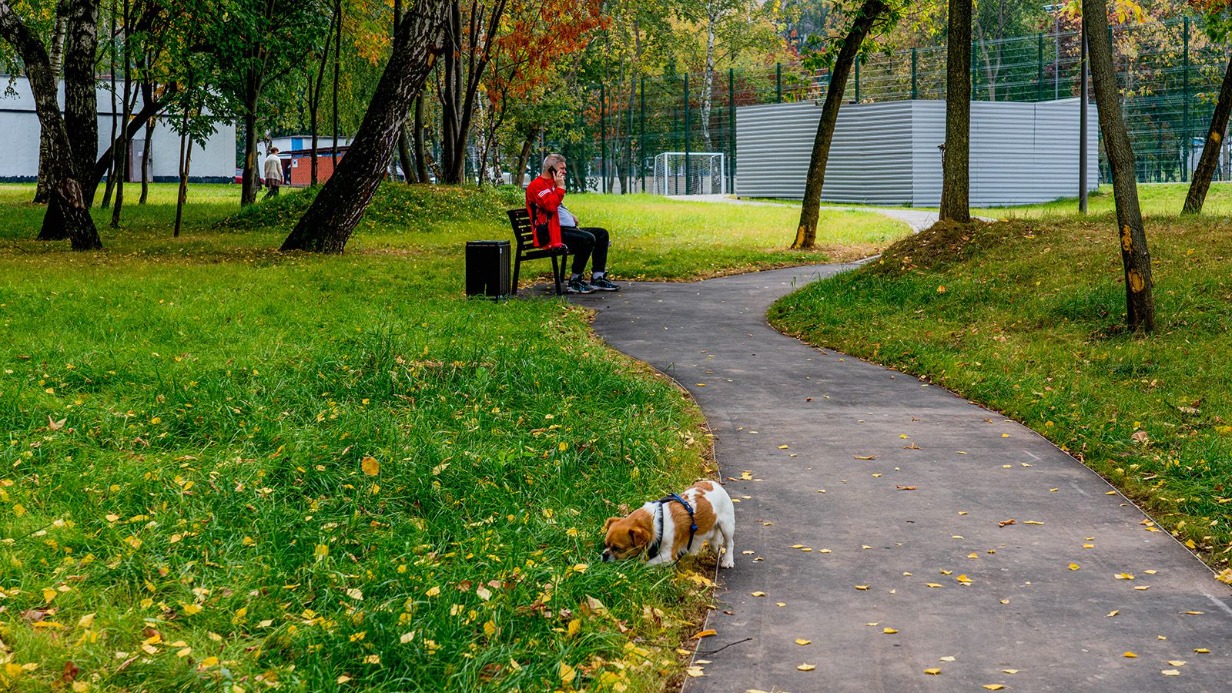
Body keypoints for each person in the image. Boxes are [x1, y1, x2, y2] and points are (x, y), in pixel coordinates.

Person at [525, 154, 619, 294]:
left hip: (564, 229)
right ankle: (575, 281)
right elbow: (550, 205)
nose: (565, 171)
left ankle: (598, 277)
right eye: (562, 168)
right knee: (587, 239)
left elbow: (557, 205)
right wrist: (561, 188)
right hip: (551, 233)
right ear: (551, 168)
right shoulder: (537, 186)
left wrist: (569, 214)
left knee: (601, 234)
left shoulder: (553, 184)